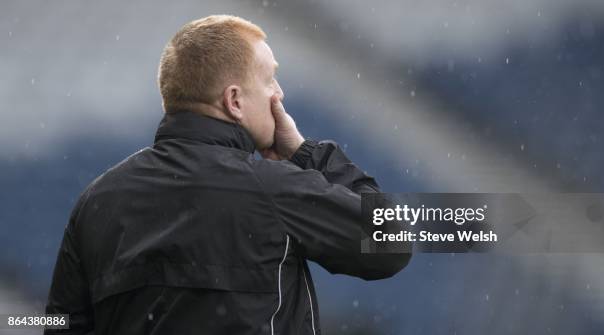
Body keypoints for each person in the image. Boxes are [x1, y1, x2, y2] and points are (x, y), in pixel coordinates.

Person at [45, 15, 411, 334]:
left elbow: (62, 324)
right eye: (270, 80)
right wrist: (304, 152)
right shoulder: (272, 188)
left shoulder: (97, 200)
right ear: (234, 101)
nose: (279, 94)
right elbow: (391, 241)